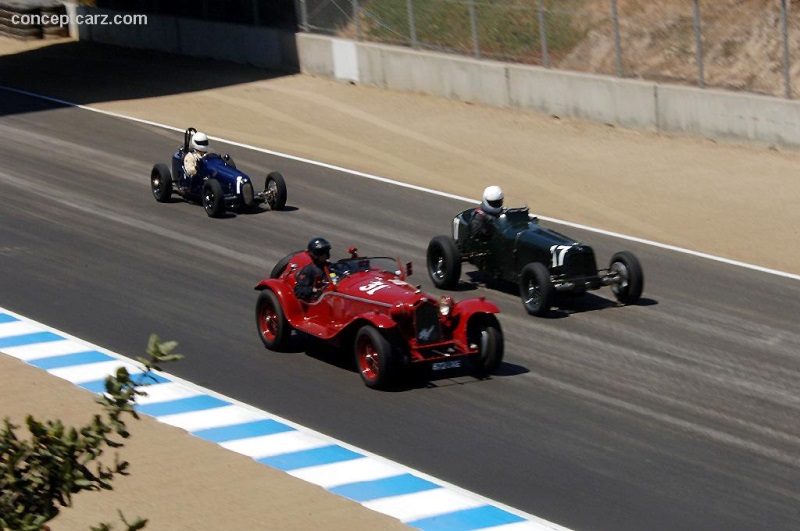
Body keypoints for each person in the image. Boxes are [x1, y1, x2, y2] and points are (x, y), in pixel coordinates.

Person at [294, 237, 332, 302]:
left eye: (326, 252)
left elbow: (334, 279)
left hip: (331, 296)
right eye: (323, 252)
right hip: (317, 301)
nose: (325, 255)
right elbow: (299, 291)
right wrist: (313, 289)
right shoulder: (308, 270)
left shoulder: (330, 267)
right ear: (316, 255)